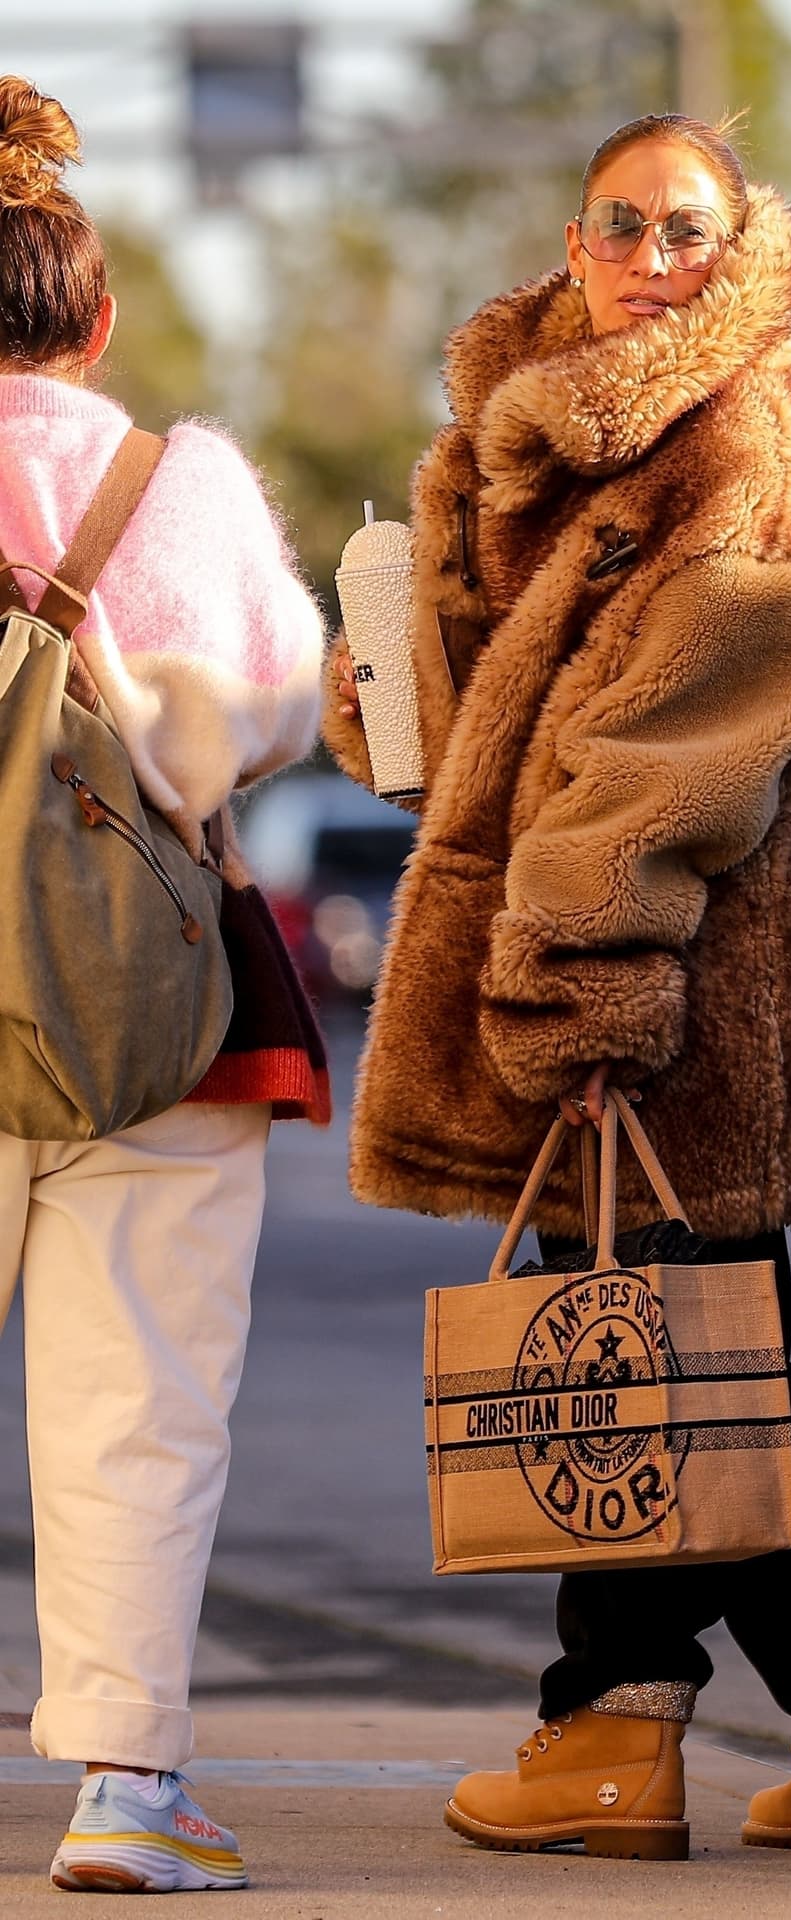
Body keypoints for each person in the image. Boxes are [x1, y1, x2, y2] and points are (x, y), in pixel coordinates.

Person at [327, 111, 791, 1861]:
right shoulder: (522, 438)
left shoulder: (746, 440)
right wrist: (389, 680)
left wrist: (586, 978)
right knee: (691, 1359)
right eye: (622, 224)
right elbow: (491, 725)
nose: (649, 258)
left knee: (635, 1348)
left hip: (700, 975)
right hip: (610, 959)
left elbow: (684, 744)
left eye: (686, 228)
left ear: (733, 239)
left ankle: (612, 1734)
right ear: (577, 231)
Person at [0, 78, 328, 1892]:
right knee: (138, 1407)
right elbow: (272, 710)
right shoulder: (174, 486)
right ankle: (126, 1792)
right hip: (154, 1018)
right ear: (99, 317)